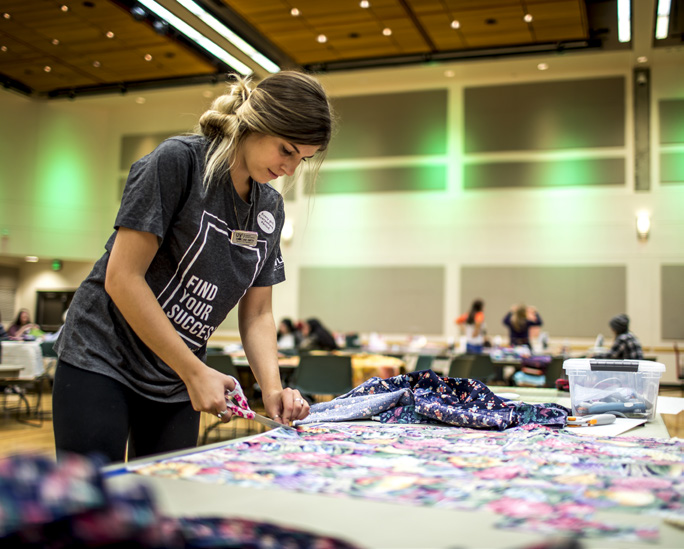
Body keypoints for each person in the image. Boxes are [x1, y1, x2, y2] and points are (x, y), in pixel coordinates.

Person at [52, 71, 333, 463]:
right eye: (286, 150)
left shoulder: (270, 208)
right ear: (255, 123)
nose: (290, 169)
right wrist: (194, 371)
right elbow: (122, 278)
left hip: (175, 377)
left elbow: (257, 314)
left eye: (301, 159)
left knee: (169, 500)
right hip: (101, 356)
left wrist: (271, 390)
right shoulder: (179, 162)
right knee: (93, 505)